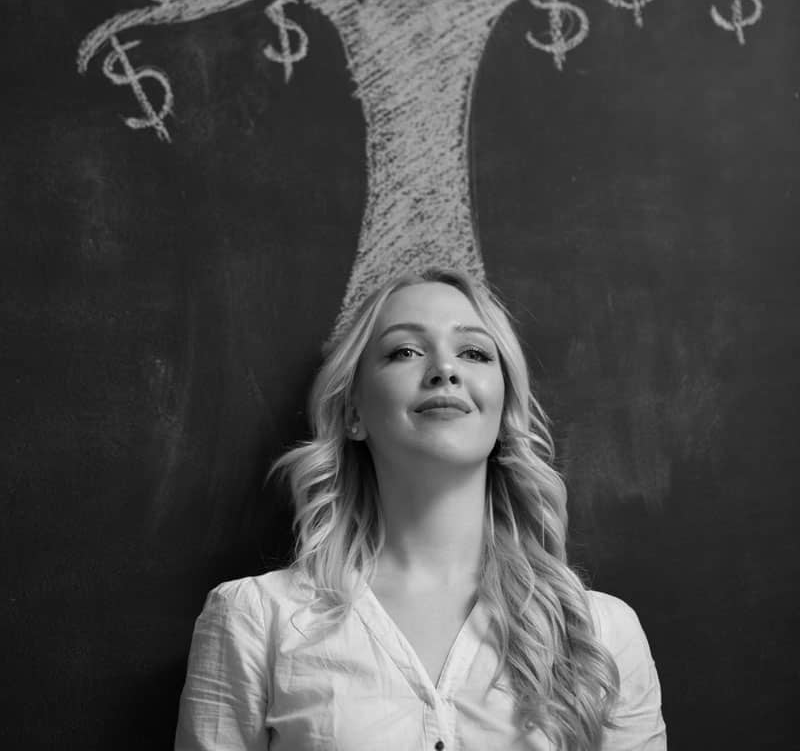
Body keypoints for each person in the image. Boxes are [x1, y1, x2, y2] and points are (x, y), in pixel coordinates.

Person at [174, 267, 666, 750]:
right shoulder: (256, 621)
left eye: (474, 352)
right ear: (353, 413)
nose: (445, 370)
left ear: (503, 405)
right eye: (404, 351)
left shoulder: (600, 632)